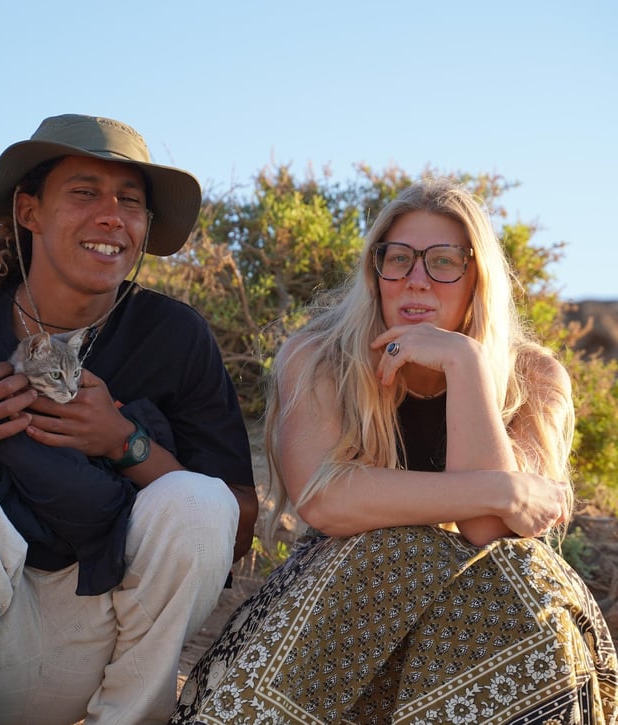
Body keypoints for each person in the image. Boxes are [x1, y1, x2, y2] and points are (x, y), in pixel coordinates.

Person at [0, 113, 259, 725]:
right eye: (85, 192)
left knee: (196, 498)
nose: (112, 216)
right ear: (28, 211)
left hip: (109, 640)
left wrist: (126, 443)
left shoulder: (173, 336)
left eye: (131, 200)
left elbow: (235, 521)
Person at [171, 179, 618, 723]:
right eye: (398, 258)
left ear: (478, 278)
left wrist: (466, 364)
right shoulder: (320, 357)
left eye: (444, 261)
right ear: (374, 271)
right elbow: (326, 500)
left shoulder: (535, 378)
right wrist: (502, 488)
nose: (416, 279)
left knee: (518, 575)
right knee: (393, 551)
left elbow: (488, 533)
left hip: (482, 614)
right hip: (346, 601)